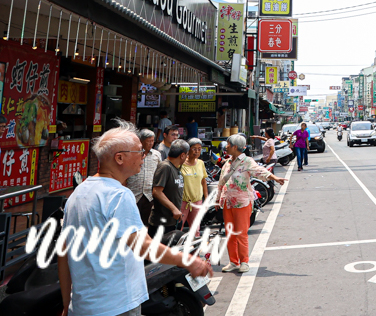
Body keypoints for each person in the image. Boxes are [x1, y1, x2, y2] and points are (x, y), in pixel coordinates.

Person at [58, 120, 211, 316]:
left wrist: (66, 303)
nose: (144, 155)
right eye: (139, 151)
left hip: (82, 307)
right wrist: (189, 261)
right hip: (116, 305)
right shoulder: (119, 195)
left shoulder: (78, 193)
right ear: (119, 158)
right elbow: (144, 246)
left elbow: (63, 253)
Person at [217, 134, 285, 272]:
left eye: (228, 144)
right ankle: (233, 261)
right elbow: (221, 182)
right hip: (228, 202)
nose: (226, 147)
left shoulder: (247, 161)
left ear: (235, 147)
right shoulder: (228, 162)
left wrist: (274, 178)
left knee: (241, 233)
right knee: (230, 233)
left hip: (242, 202)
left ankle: (244, 262)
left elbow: (260, 171)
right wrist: (218, 199)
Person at [149, 140, 189, 233]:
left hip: (172, 220)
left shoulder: (176, 168)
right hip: (161, 223)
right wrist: (174, 209)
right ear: (182, 155)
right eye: (187, 155)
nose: (187, 158)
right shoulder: (165, 167)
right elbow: (157, 192)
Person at [125, 129, 161, 224]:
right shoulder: (132, 154)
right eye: (148, 141)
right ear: (141, 141)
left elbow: (159, 173)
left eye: (152, 141)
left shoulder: (156, 155)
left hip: (149, 194)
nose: (150, 143)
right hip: (134, 193)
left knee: (146, 222)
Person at [180, 138, 208, 230]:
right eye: (194, 148)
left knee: (196, 229)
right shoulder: (181, 164)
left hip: (197, 201)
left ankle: (193, 244)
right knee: (179, 226)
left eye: (199, 149)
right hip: (183, 201)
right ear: (188, 149)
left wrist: (206, 199)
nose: (197, 151)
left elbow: (203, 182)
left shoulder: (201, 163)